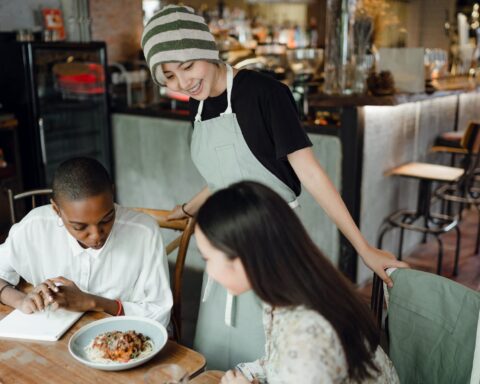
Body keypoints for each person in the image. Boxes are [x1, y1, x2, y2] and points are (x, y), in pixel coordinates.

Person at [141, 4, 407, 368]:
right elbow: (221, 177)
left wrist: (363, 248)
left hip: (275, 248)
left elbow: (311, 174)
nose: (183, 82)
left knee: (279, 352)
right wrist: (188, 208)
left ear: (208, 51)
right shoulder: (198, 104)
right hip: (227, 250)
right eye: (169, 76)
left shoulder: (266, 94)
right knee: (221, 355)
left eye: (188, 66)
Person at [196, 181, 399, 384]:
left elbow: (300, 360)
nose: (208, 270)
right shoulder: (292, 287)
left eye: (208, 258)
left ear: (242, 259)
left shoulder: (308, 339)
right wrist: (246, 373)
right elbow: (278, 362)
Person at [0, 157, 172, 326]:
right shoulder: (35, 227)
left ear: (113, 193)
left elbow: (159, 314)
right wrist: (21, 300)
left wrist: (92, 302)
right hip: (54, 342)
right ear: (56, 210)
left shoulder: (143, 233)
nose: (96, 235)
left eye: (107, 219)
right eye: (79, 227)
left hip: (123, 339)